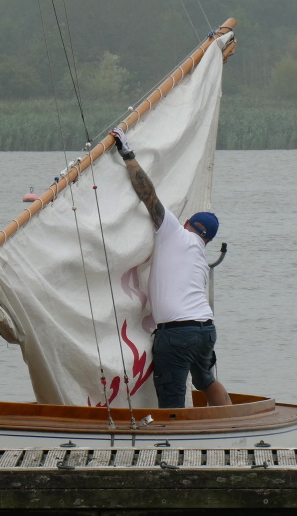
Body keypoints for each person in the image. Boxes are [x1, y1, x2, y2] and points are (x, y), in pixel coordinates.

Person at [111, 127, 231, 409]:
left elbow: (147, 194)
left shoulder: (174, 233)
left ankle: (175, 447)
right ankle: (231, 422)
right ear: (209, 239)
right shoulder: (200, 255)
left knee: (172, 397)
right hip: (205, 330)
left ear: (187, 223)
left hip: (176, 334)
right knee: (205, 380)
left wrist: (128, 155)